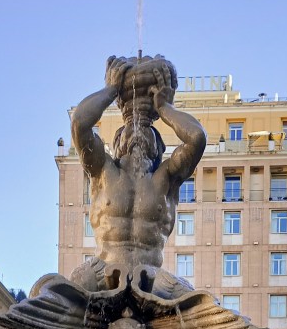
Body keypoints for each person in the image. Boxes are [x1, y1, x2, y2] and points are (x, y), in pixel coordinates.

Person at [71, 55, 206, 278]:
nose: (138, 133)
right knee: (50, 291)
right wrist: (111, 89)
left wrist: (164, 107)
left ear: (159, 148)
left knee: (202, 300)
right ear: (116, 145)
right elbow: (79, 124)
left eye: (147, 132)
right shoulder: (102, 170)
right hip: (102, 274)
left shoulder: (166, 177)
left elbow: (197, 138)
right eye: (129, 131)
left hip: (152, 276)